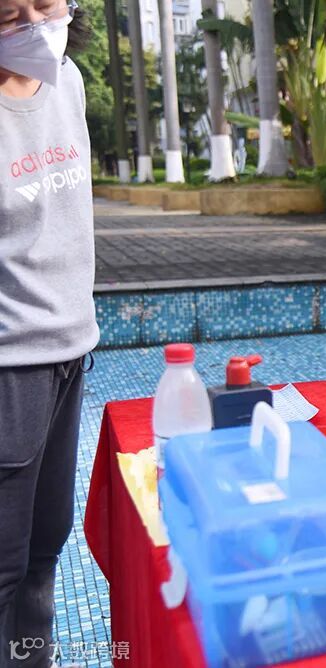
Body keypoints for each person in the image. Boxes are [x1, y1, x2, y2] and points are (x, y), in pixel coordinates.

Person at [0, 0, 98, 664]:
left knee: (44, 551)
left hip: (71, 348)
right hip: (11, 365)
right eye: (11, 15)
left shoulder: (70, 81)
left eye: (47, 5)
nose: (36, 25)